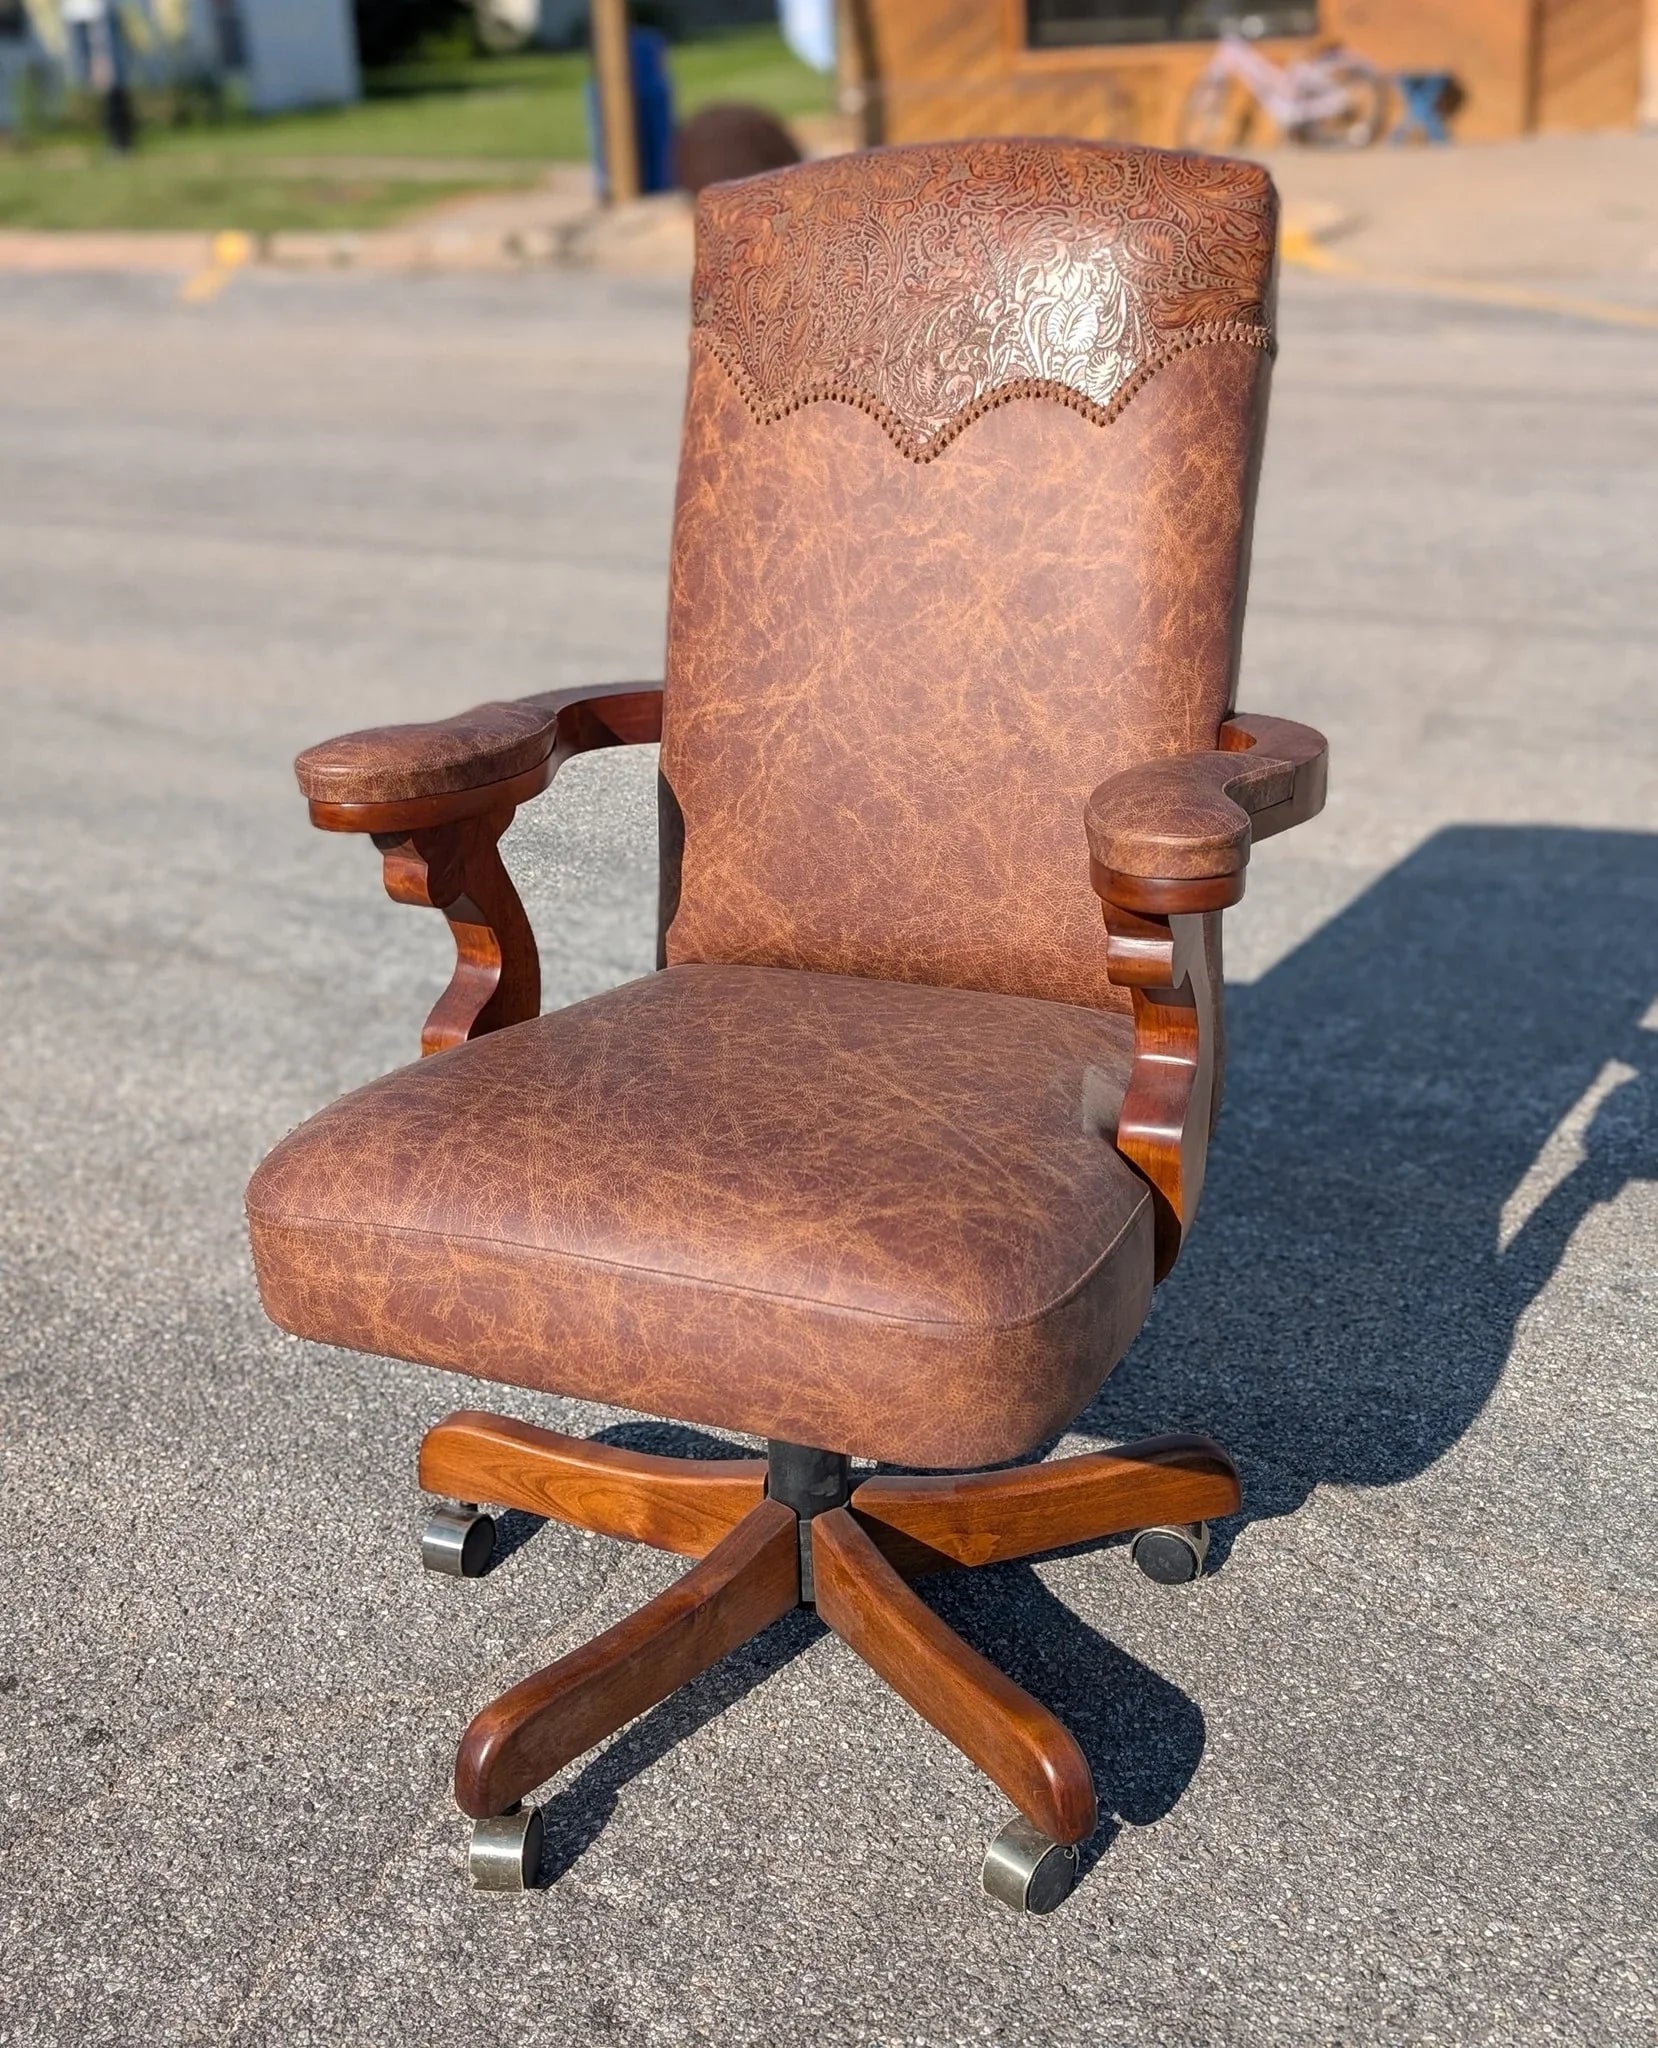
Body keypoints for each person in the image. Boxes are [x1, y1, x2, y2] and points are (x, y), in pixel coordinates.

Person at [61, 0, 136, 151]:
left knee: (112, 76)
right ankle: (107, 136)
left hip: (99, 12)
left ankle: (121, 138)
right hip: (74, 13)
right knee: (91, 80)